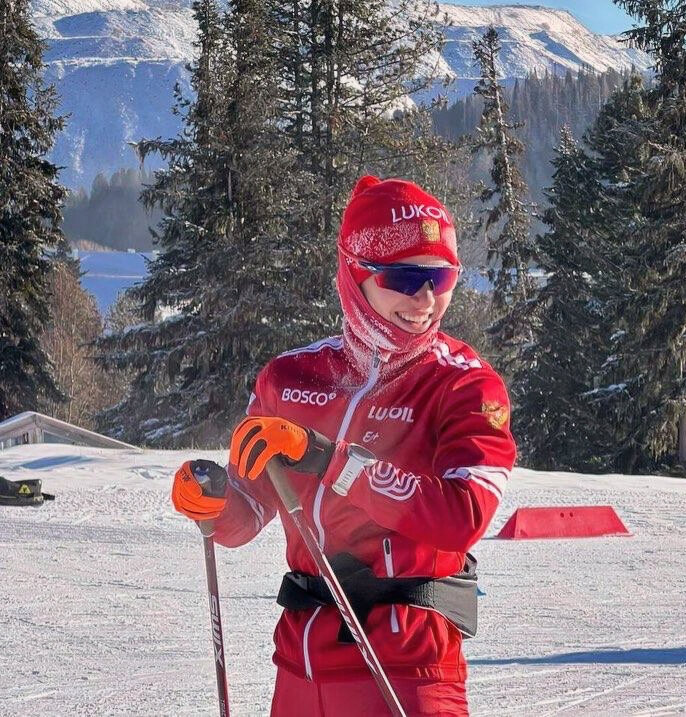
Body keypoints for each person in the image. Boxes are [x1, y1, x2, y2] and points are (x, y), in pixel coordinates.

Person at [171, 175, 517, 716]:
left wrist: (332, 460)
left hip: (406, 669)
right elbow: (251, 510)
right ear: (355, 276)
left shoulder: (464, 385)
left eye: (442, 277)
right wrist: (213, 501)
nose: (426, 299)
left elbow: (462, 515)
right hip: (300, 665)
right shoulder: (290, 378)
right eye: (404, 278)